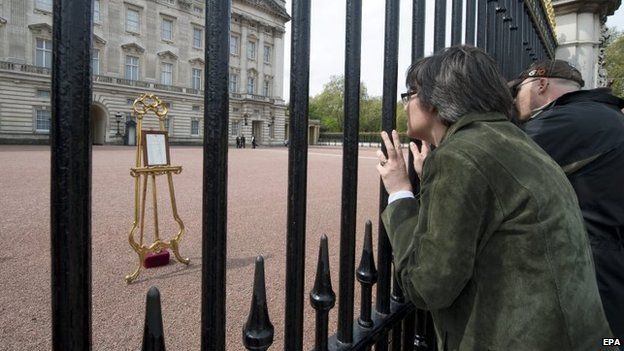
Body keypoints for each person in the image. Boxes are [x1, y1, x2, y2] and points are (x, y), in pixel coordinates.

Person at [376, 45, 615, 350]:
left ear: (434, 100)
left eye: (410, 94)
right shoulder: (512, 140)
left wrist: (399, 192)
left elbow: (428, 286)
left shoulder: (460, 155)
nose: (406, 104)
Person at [510, 59, 624, 341]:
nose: (514, 100)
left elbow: (498, 156)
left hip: (593, 275)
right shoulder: (601, 114)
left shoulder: (566, 120)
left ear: (541, 83)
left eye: (517, 91)